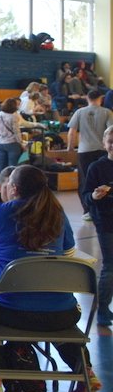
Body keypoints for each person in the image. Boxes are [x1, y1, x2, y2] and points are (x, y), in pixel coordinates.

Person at [0, 165, 101, 392]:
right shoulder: (57, 213)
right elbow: (68, 254)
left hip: (12, 312)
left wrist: (1, 255)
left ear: (13, 188)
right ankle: (86, 373)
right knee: (57, 323)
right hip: (62, 314)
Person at [84, 125, 113, 327]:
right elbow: (86, 195)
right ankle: (102, 308)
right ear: (104, 144)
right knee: (110, 266)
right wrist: (94, 197)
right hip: (106, 222)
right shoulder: (96, 167)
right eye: (110, 142)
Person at [68, 89, 113, 216]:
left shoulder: (79, 112)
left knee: (84, 181)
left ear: (87, 98)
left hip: (84, 151)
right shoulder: (107, 112)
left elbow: (72, 132)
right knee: (103, 179)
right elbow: (111, 130)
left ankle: (87, 210)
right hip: (102, 150)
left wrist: (70, 147)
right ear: (101, 99)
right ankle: (102, 207)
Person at [0, 98, 27, 177]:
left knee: (0, 166)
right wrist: (21, 143)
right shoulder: (13, 116)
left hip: (1, 143)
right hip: (12, 144)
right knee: (12, 167)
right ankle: (11, 182)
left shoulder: (0, 114)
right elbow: (16, 132)